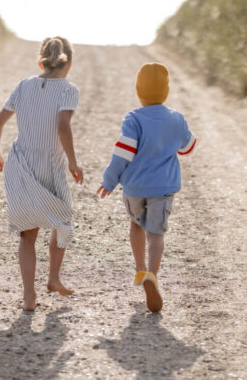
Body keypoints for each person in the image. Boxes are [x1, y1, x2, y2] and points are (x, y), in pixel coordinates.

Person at [0, 37, 84, 312]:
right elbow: (63, 126)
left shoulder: (24, 85)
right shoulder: (68, 89)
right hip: (50, 164)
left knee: (27, 234)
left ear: (40, 62)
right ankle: (53, 277)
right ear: (68, 64)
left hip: (21, 162)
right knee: (62, 220)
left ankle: (29, 295)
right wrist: (73, 162)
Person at [95, 62, 196, 313]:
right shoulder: (176, 118)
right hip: (163, 186)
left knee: (136, 224)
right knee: (157, 233)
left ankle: (140, 270)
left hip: (135, 186)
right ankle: (153, 274)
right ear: (166, 91)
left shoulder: (133, 119)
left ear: (139, 91)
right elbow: (188, 146)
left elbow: (122, 155)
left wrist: (109, 181)